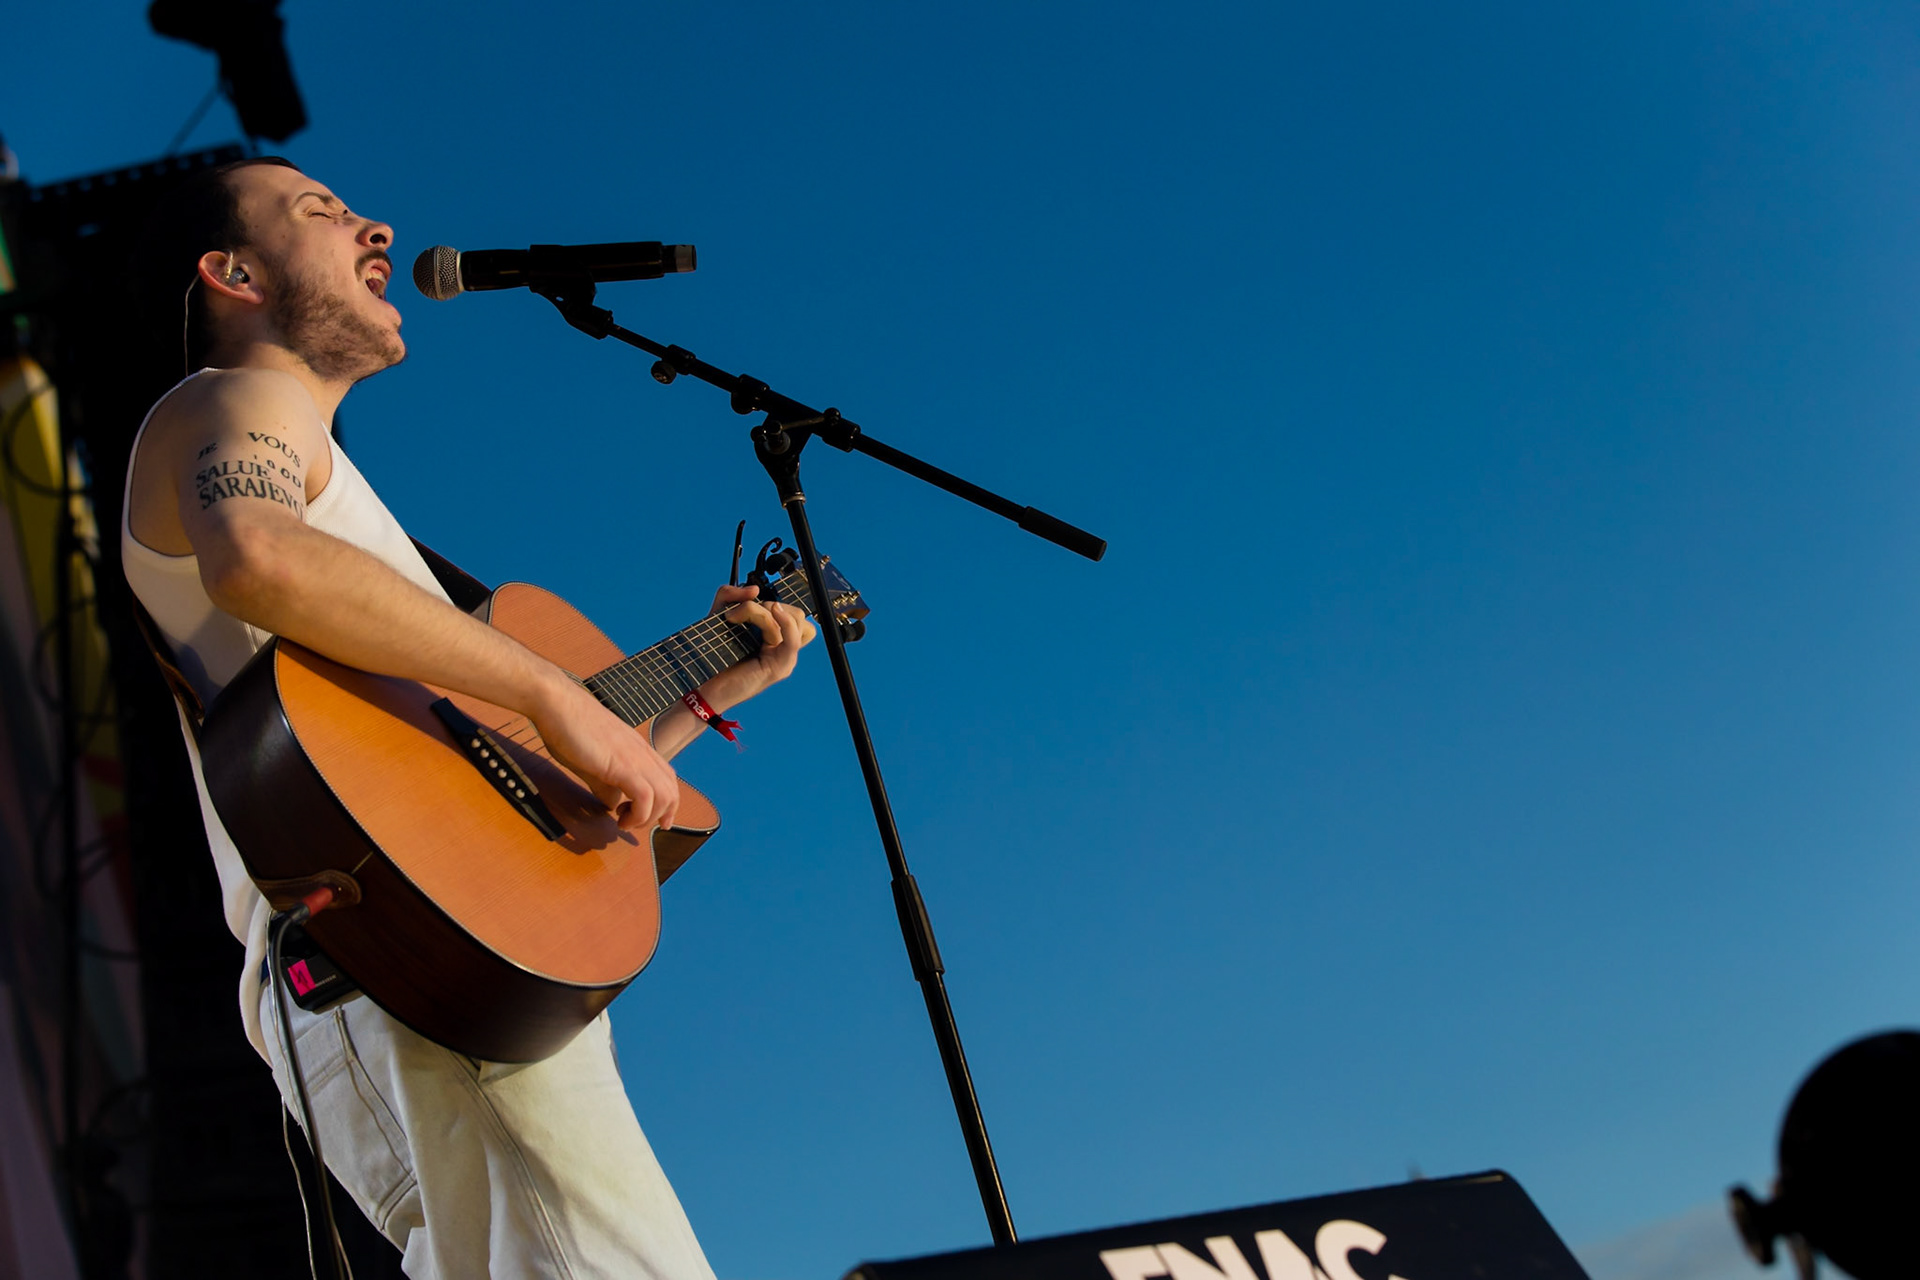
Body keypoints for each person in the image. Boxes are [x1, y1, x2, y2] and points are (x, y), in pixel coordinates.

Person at [122, 156, 814, 1277]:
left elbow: (508, 800)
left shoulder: (352, 514)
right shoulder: (234, 401)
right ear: (233, 270)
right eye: (321, 210)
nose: (375, 221)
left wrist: (691, 694)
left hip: (438, 958)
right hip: (386, 954)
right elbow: (252, 552)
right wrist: (546, 691)